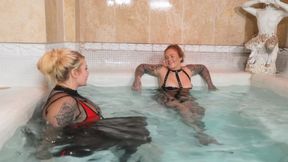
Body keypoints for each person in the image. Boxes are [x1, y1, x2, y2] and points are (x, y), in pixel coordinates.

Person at [32, 49, 151, 161]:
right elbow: (51, 136)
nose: (88, 73)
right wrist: (45, 156)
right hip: (81, 146)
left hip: (90, 133)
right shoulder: (66, 102)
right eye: (86, 68)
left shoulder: (67, 95)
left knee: (138, 123)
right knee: (138, 133)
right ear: (75, 73)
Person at [132, 44, 218, 145]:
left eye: (172, 56)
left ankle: (200, 133)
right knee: (182, 108)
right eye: (166, 57)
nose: (169, 59)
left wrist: (210, 84)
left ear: (180, 57)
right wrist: (137, 79)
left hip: (186, 96)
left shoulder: (188, 70)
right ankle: (200, 134)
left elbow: (202, 68)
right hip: (166, 97)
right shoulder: (161, 69)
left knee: (198, 110)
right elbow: (142, 67)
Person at [242, 0, 288, 73]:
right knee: (254, 68)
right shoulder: (259, 12)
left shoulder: (279, 13)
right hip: (260, 40)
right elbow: (244, 6)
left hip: (271, 40)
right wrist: (258, 0)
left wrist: (277, 2)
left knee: (267, 68)